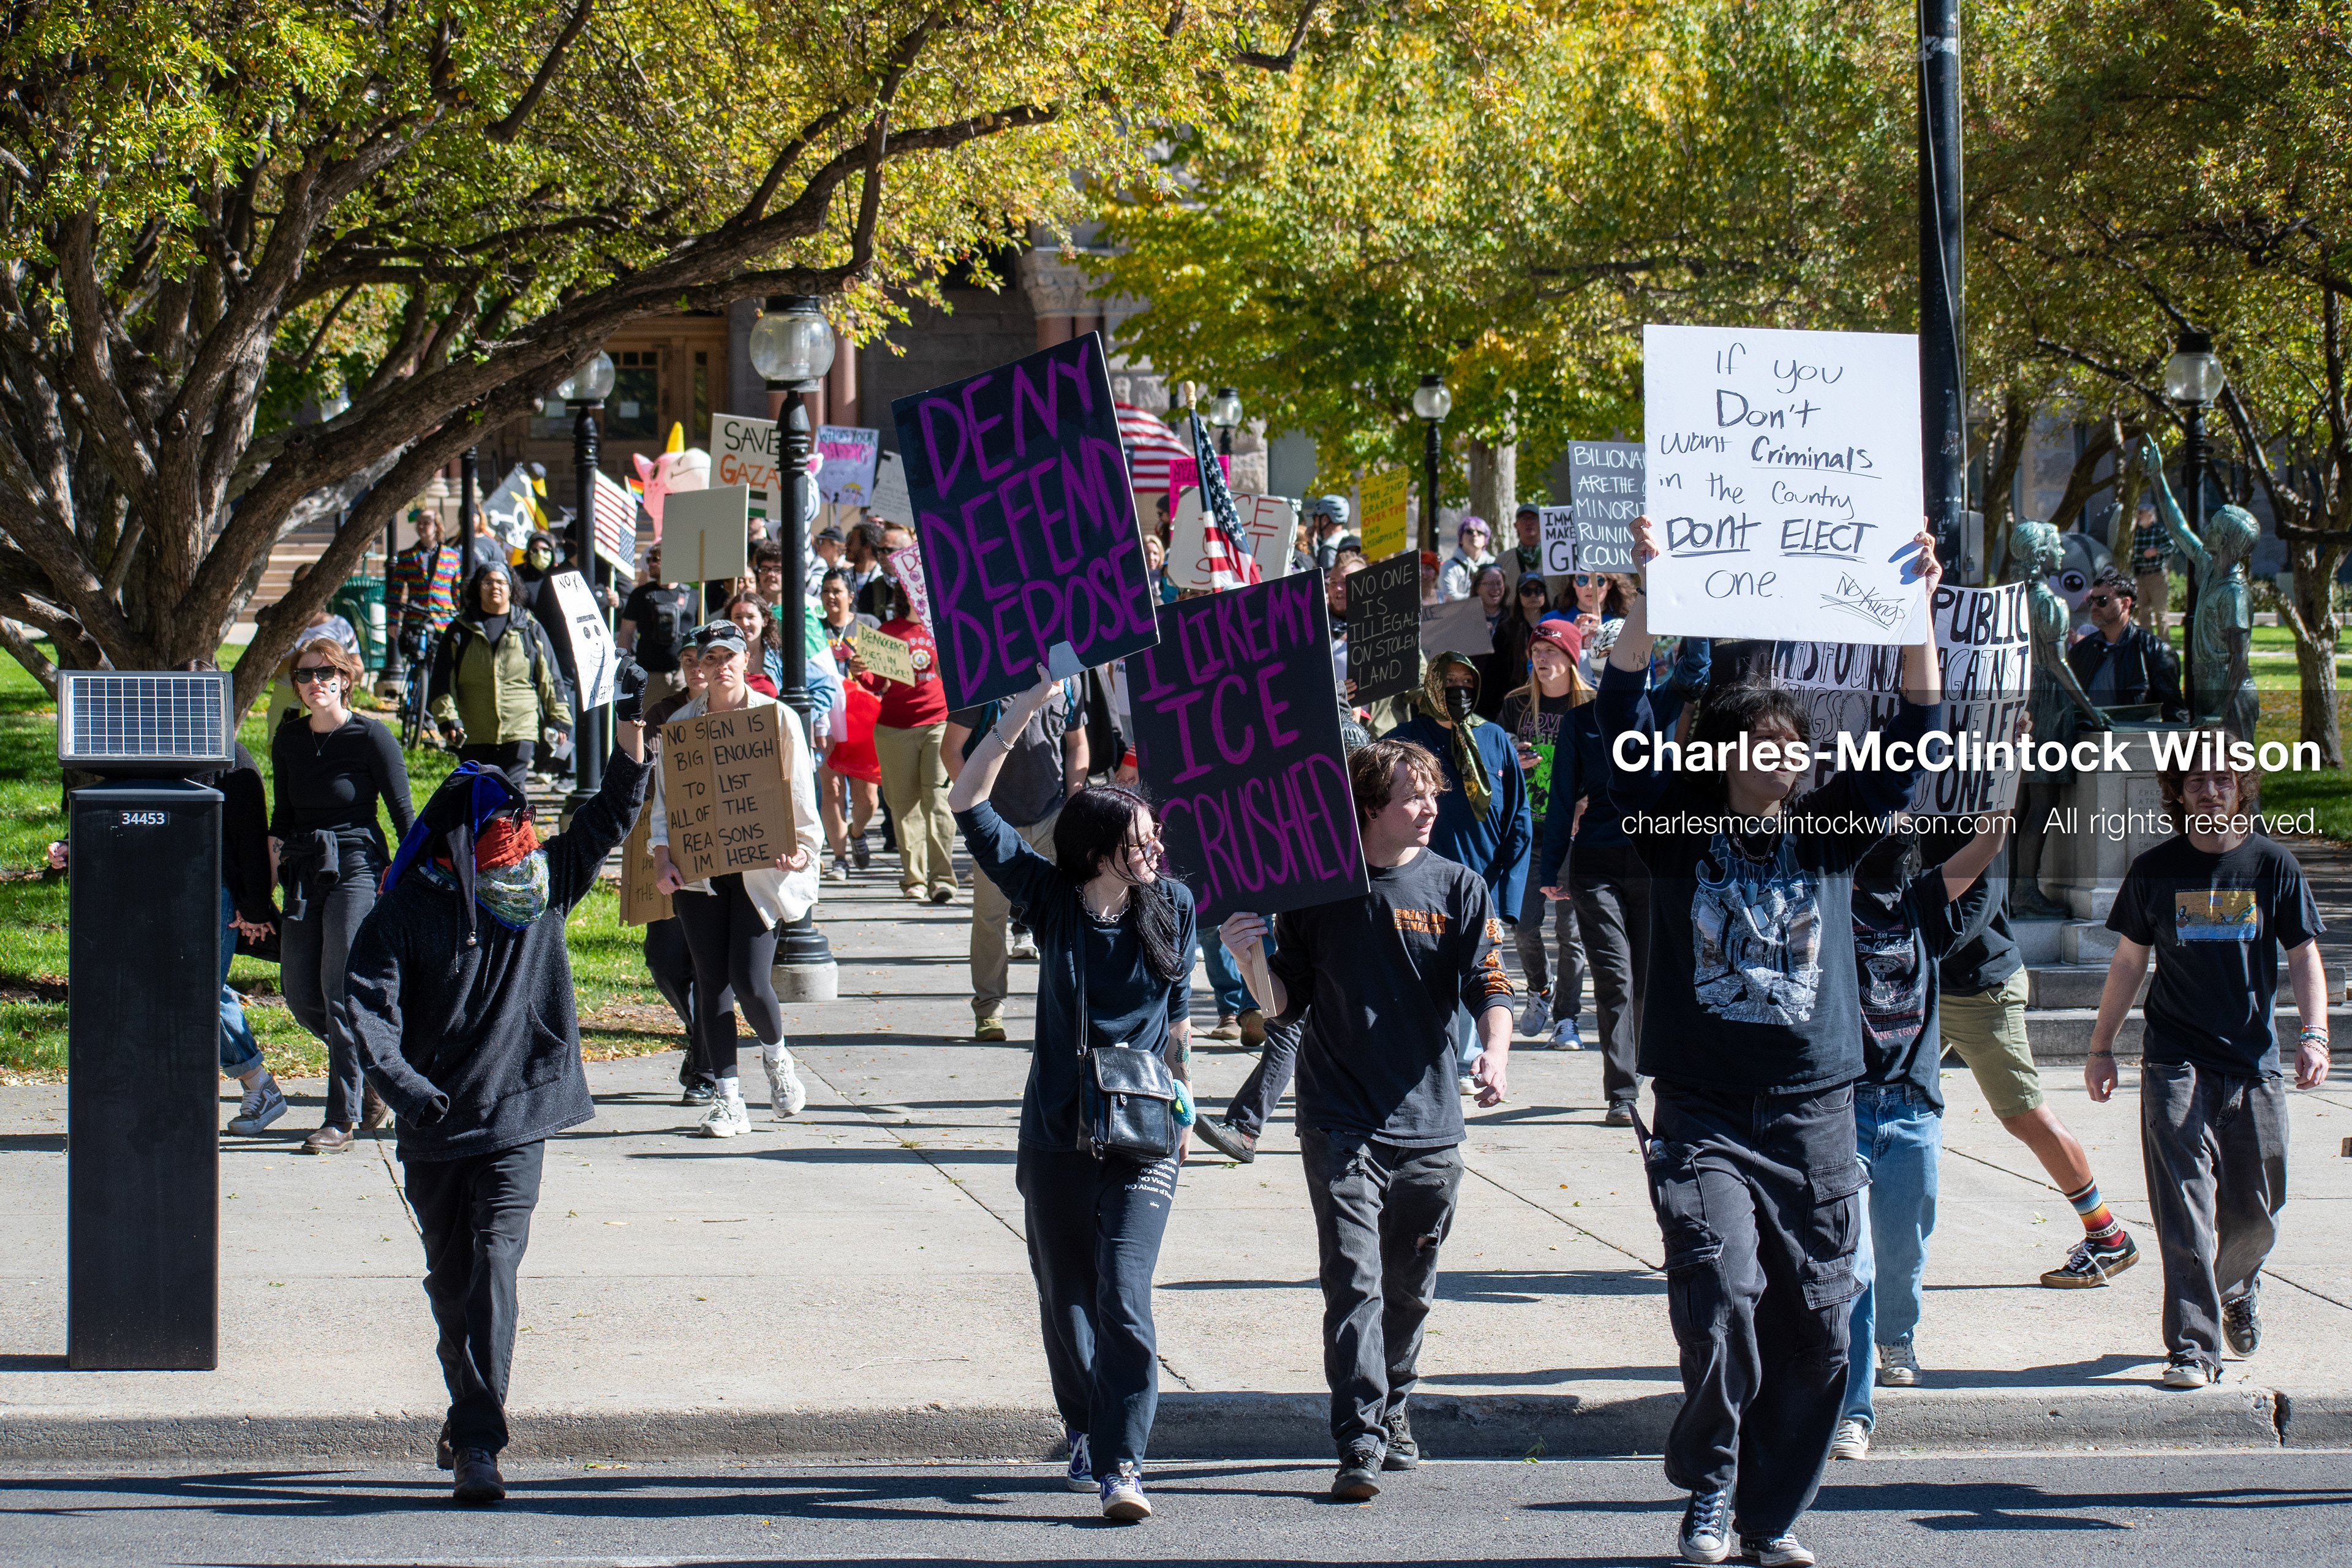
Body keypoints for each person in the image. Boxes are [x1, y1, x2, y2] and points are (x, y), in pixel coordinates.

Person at [1602, 513, 1943, 1568]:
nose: (1783, 757)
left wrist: (1914, 609)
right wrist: (1649, 603)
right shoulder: (1674, 828)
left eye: (1796, 745)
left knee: (1822, 1332)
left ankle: (1769, 1516)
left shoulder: (1830, 832)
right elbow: (1618, 719)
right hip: (1705, 1114)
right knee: (1723, 1304)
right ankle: (1708, 1492)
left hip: (1817, 1114)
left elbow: (1915, 738)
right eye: (1763, 741)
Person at [344, 717, 652, 1505]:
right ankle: (470, 1408)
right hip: (436, 1124)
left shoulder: (538, 890)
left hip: (518, 1113)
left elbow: (601, 825)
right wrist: (406, 1087)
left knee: (492, 1263)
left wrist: (629, 760)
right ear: (451, 840)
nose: (513, 841)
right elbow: (369, 1009)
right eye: (495, 828)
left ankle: (478, 1442)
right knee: (451, 1285)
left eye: (518, 826)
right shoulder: (402, 913)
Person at [1218, 737, 1513, 1499]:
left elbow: (1491, 985)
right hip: (1339, 1118)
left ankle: (1396, 1404)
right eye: (1413, 795)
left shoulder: (1459, 886)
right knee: (1354, 1279)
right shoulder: (1318, 892)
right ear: (1368, 806)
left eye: (1432, 794)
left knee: (1409, 1287)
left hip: (1431, 1124)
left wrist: (1496, 1053)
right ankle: (1359, 1438)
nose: (1429, 808)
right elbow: (1284, 1002)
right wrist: (1249, 957)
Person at [944, 668, 1197, 1523]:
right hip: (1057, 1128)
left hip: (1146, 1133)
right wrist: (1021, 710)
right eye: (1141, 841)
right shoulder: (1051, 899)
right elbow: (968, 801)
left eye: (1155, 837)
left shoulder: (1177, 906)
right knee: (1066, 1294)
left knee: (1125, 1295)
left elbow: (1182, 1017)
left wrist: (1187, 1107)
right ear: (1098, 852)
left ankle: (1123, 1464)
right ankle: (1086, 1425)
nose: (1156, 851)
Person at [2086, 735, 2329, 1389]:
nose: (2209, 789)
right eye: (2197, 779)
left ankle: (2238, 1285)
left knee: (2257, 1207)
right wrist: (2102, 1046)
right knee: (2184, 1207)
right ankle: (2193, 1346)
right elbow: (2130, 963)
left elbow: (2304, 955)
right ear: (2179, 791)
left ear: (2241, 787)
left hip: (2254, 1062)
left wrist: (2316, 1034)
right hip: (2175, 1061)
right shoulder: (2155, 870)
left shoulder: (2273, 865)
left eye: (2222, 778)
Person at [1828, 816, 2010, 1463]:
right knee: (1856, 1266)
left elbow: (1988, 839)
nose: (1889, 831)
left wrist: (2007, 758)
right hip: (1844, 1111)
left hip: (1911, 1112)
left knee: (1902, 1254)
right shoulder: (1826, 900)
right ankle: (1853, 1411)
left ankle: (1898, 1336)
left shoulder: (1924, 904)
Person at [649, 621, 822, 1136]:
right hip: (700, 874)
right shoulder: (680, 728)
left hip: (758, 872)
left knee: (749, 979)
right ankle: (729, 1099)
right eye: (710, 658)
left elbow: (800, 800)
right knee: (711, 986)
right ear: (697, 667)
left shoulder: (777, 720)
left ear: (745, 661)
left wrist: (803, 851)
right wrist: (663, 859)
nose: (720, 665)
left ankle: (777, 1059)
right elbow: (665, 806)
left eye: (731, 656)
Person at [1536, 624, 1709, 1113]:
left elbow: (1697, 669)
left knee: (1648, 979)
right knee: (1614, 978)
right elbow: (1562, 799)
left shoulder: (1664, 707)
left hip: (1654, 862)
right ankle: (1622, 1092)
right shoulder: (1579, 722)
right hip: (1596, 865)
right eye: (1614, 658)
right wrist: (1552, 870)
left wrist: (1688, 609)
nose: (1627, 664)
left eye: (1634, 655)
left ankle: (1657, 1077)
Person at [271, 635, 414, 1153]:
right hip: (304, 868)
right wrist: (268, 873)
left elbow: (404, 817)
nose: (315, 684)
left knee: (340, 991)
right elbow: (282, 817)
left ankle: (341, 1119)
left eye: (325, 674)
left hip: (357, 865)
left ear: (345, 679)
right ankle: (374, 1076)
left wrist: (412, 882)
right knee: (300, 992)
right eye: (305, 676)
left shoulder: (372, 737)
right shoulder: (288, 740)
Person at [1389, 651, 1532, 1084]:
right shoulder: (1405, 741)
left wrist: (1507, 898)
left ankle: (1466, 1064)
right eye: (1449, 681)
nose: (1459, 691)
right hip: (1416, 884)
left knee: (1479, 976)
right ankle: (1423, 1066)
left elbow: (1518, 821)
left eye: (1466, 682)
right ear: (1432, 685)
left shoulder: (1494, 739)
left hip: (1481, 886)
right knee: (1422, 981)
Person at [944, 673, 1088, 1041]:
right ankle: (990, 1008)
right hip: (997, 825)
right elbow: (951, 749)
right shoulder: (983, 680)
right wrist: (977, 809)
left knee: (1067, 917)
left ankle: (1068, 1013)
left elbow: (1077, 745)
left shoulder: (1070, 679)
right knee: (990, 918)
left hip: (1052, 820)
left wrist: (1075, 802)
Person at [1497, 622, 1588, 1044]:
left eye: (1551, 651)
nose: (1542, 659)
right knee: (1525, 927)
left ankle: (1567, 1018)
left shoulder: (1591, 704)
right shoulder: (1517, 704)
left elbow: (1613, 765)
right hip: (1528, 835)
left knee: (1571, 934)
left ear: (1571, 657)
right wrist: (1512, 756)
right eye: (1536, 651)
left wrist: (1589, 800)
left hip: (1574, 837)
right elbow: (1494, 759)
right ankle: (1540, 989)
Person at [643, 647, 717, 1107]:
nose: (696, 667)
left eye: (705, 658)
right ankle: (701, 1035)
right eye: (688, 659)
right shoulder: (664, 713)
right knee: (665, 959)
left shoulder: (747, 710)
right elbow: (646, 777)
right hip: (674, 851)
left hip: (726, 856)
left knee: (712, 970)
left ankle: (706, 1070)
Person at [428, 563, 571, 791]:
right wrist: (448, 719)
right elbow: (442, 680)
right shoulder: (460, 629)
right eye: (488, 582)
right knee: (478, 797)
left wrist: (560, 719)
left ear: (512, 588)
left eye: (501, 582)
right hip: (474, 731)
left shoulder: (529, 627)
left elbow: (550, 678)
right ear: (477, 587)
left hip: (520, 727)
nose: (495, 587)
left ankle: (516, 829)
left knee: (513, 796)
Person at [815, 569, 881, 878]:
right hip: (828, 717)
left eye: (837, 591)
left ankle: (856, 833)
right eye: (826, 590)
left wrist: (869, 669)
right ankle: (840, 859)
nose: (830, 596)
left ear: (851, 595)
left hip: (864, 717)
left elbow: (888, 673)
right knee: (832, 789)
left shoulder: (869, 625)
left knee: (867, 797)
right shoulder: (814, 629)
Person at [2065, 565, 2187, 721]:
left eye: (2102, 601)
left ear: (2125, 604)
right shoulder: (2081, 651)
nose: (2094, 607)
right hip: (2089, 742)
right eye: (2091, 601)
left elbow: (2175, 716)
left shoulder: (2156, 652)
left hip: (2136, 740)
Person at [618, 546, 700, 710]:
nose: (650, 564)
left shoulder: (695, 596)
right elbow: (627, 632)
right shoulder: (640, 595)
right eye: (650, 560)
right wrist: (622, 665)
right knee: (650, 724)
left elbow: (702, 634)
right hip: (650, 675)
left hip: (684, 674)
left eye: (656, 560)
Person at [387, 510, 462, 649]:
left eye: (426, 523)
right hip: (416, 620)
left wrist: (460, 617)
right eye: (419, 523)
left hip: (444, 620)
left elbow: (456, 590)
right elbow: (395, 591)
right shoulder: (407, 556)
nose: (421, 526)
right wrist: (392, 621)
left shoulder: (452, 556)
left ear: (437, 526)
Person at [725, 590, 780, 696]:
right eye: (738, 617)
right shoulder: (720, 660)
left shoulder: (781, 657)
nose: (745, 623)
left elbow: (816, 685)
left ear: (765, 620)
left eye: (751, 617)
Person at [1437, 516, 1494, 602]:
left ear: (1485, 541)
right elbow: (1449, 598)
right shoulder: (1448, 567)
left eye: (1479, 532)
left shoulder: (1494, 564)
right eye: (1469, 531)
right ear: (1460, 540)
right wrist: (1482, 597)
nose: (1475, 534)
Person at [1308, 496, 1352, 571]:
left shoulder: (1329, 549)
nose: (1314, 524)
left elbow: (1324, 580)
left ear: (1325, 520)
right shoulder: (1352, 542)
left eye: (1315, 518)